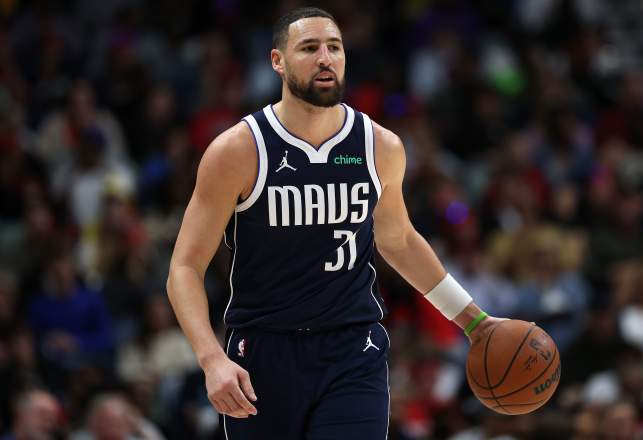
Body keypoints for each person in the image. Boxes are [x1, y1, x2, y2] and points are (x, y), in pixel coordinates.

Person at [166, 7, 506, 439]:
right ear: (277, 61)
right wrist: (211, 358)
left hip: (353, 349)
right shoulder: (238, 150)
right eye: (309, 48)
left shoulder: (379, 145)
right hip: (264, 351)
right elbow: (184, 268)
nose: (325, 58)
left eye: (334, 47)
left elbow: (399, 240)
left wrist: (475, 321)